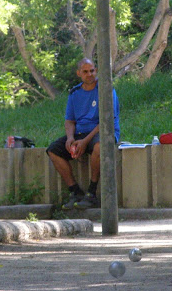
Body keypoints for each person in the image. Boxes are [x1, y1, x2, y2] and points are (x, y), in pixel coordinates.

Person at [46, 58, 120, 210]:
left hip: (102, 131)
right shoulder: (74, 93)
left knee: (100, 146)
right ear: (79, 73)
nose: (90, 74)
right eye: (85, 72)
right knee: (53, 150)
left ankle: (91, 193)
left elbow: (106, 121)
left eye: (92, 70)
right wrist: (70, 138)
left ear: (96, 70)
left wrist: (85, 141)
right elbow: (70, 121)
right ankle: (75, 191)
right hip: (80, 134)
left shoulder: (106, 89)